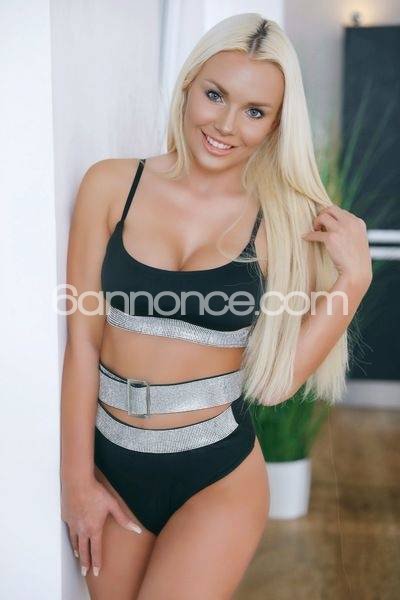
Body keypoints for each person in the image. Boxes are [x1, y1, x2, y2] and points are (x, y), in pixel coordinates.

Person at [60, 13, 372, 599]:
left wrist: (353, 280)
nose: (226, 125)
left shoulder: (283, 223)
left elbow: (276, 384)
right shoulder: (110, 186)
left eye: (255, 112)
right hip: (113, 463)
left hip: (217, 475)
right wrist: (76, 481)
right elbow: (82, 343)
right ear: (188, 85)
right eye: (215, 95)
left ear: (276, 124)